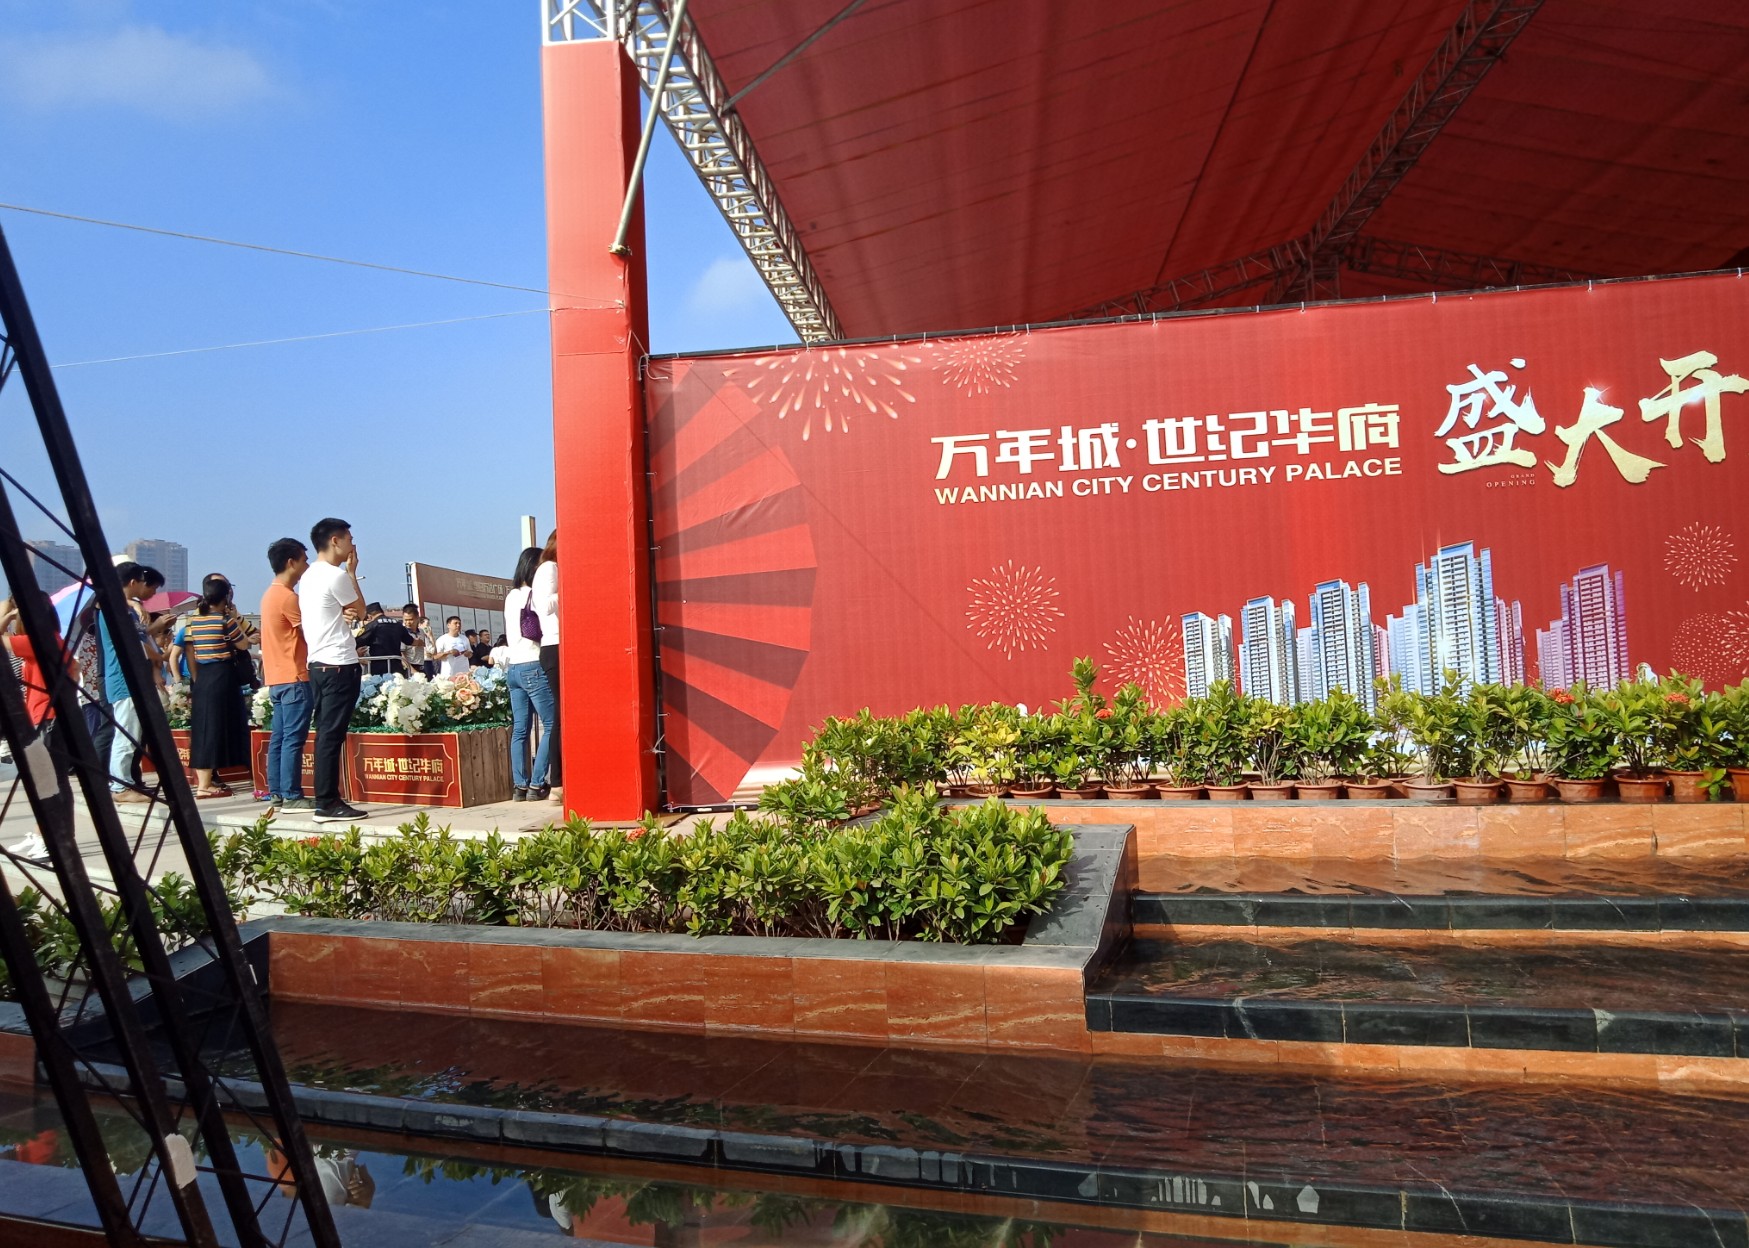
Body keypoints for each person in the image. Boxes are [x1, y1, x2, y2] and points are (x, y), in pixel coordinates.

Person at [300, 518, 369, 824]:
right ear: (334, 541)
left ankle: (326, 799)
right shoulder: (335, 575)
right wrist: (352, 573)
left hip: (318, 663)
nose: (353, 545)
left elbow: (342, 611)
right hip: (338, 663)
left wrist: (345, 610)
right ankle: (327, 802)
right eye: (349, 539)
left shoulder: (308, 576)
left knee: (325, 733)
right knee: (330, 735)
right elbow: (361, 611)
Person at [0, 593, 75, 863]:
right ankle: (44, 833)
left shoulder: (36, 640)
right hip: (50, 715)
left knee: (50, 781)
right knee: (52, 780)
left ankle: (55, 839)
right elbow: (75, 668)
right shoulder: (53, 639)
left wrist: (7, 613)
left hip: (47, 717)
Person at [170, 574, 253, 799]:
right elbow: (244, 644)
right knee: (219, 727)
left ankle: (204, 782)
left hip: (203, 676)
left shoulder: (193, 621)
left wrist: (196, 678)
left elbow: (189, 651)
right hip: (222, 675)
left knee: (203, 729)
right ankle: (206, 786)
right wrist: (234, 618)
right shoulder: (224, 620)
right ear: (225, 597)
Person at [100, 562, 165, 803]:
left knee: (131, 736)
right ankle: (120, 787)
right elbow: (135, 644)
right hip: (123, 679)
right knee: (126, 736)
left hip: (131, 679)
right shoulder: (114, 610)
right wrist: (158, 656)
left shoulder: (123, 609)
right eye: (142, 582)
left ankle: (123, 783)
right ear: (133, 582)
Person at [261, 538, 314, 810]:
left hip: (276, 678)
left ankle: (278, 792)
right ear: (291, 562)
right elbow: (309, 632)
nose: (307, 565)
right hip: (294, 677)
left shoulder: (269, 595)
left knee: (279, 739)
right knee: (293, 739)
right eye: (305, 560)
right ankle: (292, 794)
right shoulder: (288, 597)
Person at [502, 549, 557, 801]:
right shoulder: (534, 594)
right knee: (552, 724)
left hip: (513, 667)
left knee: (520, 730)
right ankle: (537, 783)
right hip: (533, 664)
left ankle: (520, 786)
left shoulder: (511, 595)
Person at [531, 529, 561, 803]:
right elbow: (545, 606)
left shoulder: (555, 568)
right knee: (561, 717)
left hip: (562, 645)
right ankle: (558, 782)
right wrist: (569, 588)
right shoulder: (549, 568)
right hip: (554, 645)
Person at [356, 602, 416, 677]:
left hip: (378, 667)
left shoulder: (371, 625)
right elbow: (410, 641)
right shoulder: (398, 624)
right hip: (396, 666)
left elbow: (357, 642)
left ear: (369, 616)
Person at [400, 605, 432, 677]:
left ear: (417, 618)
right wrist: (413, 671)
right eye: (405, 620)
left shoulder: (421, 632)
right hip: (408, 669)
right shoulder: (402, 633)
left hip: (421, 666)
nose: (408, 622)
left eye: (411, 619)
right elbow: (401, 655)